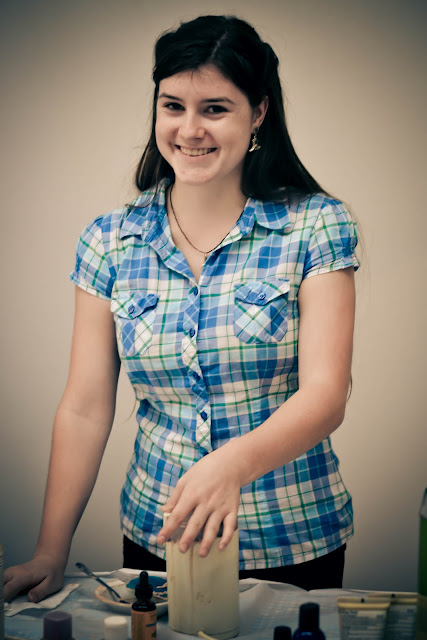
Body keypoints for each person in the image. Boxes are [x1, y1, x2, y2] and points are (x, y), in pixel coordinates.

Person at [4, 14, 359, 602]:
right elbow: (85, 408)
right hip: (158, 538)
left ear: (259, 113)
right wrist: (50, 549)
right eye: (173, 106)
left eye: (215, 108)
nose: (190, 129)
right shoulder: (108, 240)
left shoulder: (316, 225)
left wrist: (230, 466)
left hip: (291, 541)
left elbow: (326, 395)